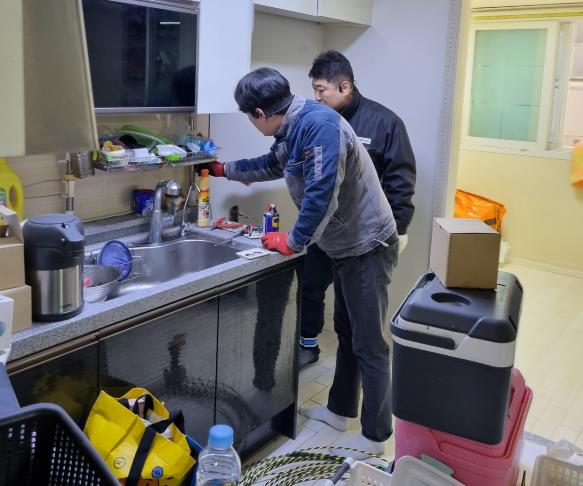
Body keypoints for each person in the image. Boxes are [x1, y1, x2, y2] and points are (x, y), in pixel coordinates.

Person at [202, 67, 399, 456]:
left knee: (370, 344)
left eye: (249, 117)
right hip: (345, 245)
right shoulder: (293, 126)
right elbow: (273, 164)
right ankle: (340, 412)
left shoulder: (318, 125)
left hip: (367, 245)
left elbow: (321, 195)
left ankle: (376, 437)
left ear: (260, 113)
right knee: (348, 333)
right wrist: (224, 170)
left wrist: (293, 241)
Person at [299, 50, 417, 368]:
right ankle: (307, 343)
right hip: (326, 228)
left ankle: (354, 376)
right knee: (309, 284)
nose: (316, 97)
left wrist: (400, 229)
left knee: (354, 316)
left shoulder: (385, 123)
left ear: (345, 87)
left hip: (364, 238)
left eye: (321, 90)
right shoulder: (318, 121)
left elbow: (400, 183)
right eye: (313, 90)